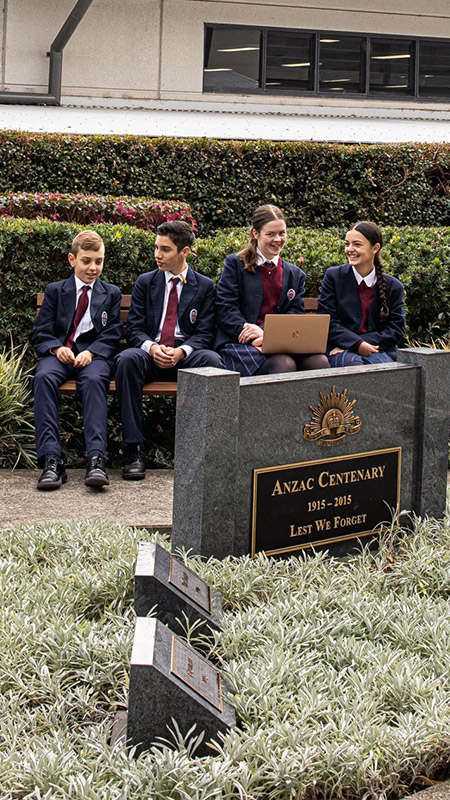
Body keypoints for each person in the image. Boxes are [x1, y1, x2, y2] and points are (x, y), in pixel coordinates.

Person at [115, 220, 223, 480]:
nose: (158, 255)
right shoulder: (146, 282)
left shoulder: (204, 286)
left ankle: (203, 452)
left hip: (185, 357)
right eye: (156, 248)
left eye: (165, 249)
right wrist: (152, 348)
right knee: (127, 360)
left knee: (213, 362)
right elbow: (135, 330)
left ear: (184, 252)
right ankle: (133, 450)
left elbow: (205, 333)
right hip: (149, 356)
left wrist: (181, 351)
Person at [32, 230, 122, 490]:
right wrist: (56, 348)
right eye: (86, 261)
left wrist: (91, 352)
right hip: (60, 356)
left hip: (93, 357)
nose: (93, 267)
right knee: (43, 378)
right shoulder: (56, 291)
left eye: (98, 261)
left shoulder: (111, 293)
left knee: (94, 381)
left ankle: (96, 459)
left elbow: (113, 333)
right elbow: (41, 332)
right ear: (72, 260)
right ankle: (52, 460)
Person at [215, 204, 329, 376]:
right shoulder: (235, 264)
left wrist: (267, 332)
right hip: (240, 341)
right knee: (284, 364)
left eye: (282, 233)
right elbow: (226, 308)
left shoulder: (295, 274)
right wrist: (254, 333)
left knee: (318, 361)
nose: (278, 239)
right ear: (256, 233)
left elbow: (295, 313)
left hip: (279, 341)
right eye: (270, 234)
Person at [317, 221, 405, 367]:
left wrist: (360, 343)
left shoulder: (393, 286)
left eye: (357, 244)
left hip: (378, 349)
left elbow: (395, 330)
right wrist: (356, 344)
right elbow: (327, 322)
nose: (349, 250)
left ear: (375, 248)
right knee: (353, 365)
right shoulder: (334, 277)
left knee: (381, 369)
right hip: (339, 348)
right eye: (347, 244)